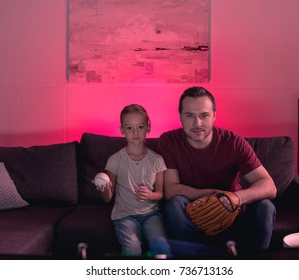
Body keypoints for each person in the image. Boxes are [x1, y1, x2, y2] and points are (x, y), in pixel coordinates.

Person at [157, 86, 277, 255]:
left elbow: (270, 186)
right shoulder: (169, 141)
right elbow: (171, 190)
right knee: (174, 204)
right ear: (180, 117)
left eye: (204, 115)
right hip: (193, 214)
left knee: (265, 206)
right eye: (189, 115)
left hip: (233, 212)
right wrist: (216, 195)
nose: (197, 123)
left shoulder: (234, 142)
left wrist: (235, 197)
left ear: (214, 115)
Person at [93, 104, 172, 257]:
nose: (135, 132)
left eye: (140, 127)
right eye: (129, 128)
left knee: (162, 249)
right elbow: (108, 198)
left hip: (151, 215)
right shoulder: (115, 160)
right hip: (124, 215)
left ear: (148, 128)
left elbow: (160, 194)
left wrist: (150, 195)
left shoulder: (157, 160)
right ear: (122, 130)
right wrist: (105, 189)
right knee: (133, 249)